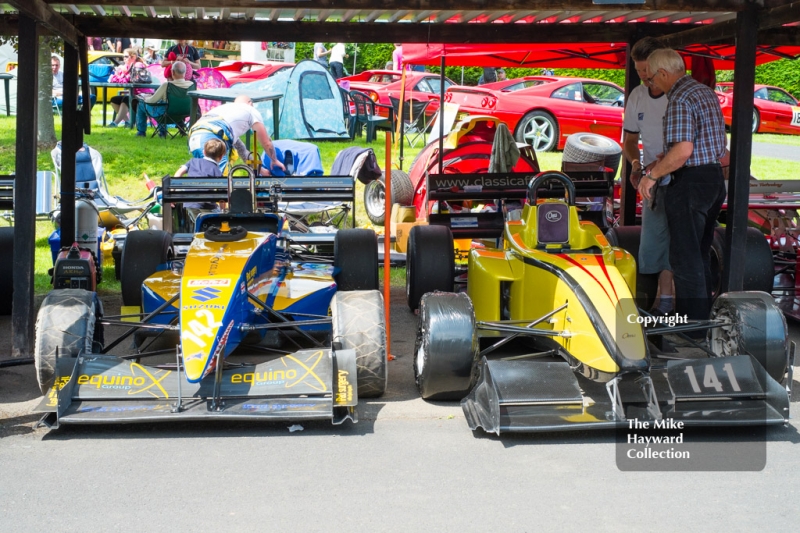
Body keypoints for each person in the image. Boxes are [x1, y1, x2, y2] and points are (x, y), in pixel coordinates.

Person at [639, 48, 728, 325]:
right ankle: (701, 321)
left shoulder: (679, 97)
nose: (652, 85)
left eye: (652, 79)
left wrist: (652, 175)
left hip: (691, 184)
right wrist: (668, 159)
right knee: (699, 254)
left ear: (663, 73)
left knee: (684, 258)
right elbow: (705, 145)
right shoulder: (703, 91)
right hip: (713, 177)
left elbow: (684, 151)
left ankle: (691, 328)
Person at [622, 37, 673, 315]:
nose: (643, 76)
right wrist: (635, 165)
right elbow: (630, 140)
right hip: (652, 179)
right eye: (638, 70)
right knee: (652, 243)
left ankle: (669, 302)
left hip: (680, 177)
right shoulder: (637, 96)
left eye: (646, 70)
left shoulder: (675, 95)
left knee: (677, 243)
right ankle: (658, 302)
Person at [188, 94, 285, 175]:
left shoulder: (226, 111)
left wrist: (261, 171)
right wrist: (274, 160)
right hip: (212, 135)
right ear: (250, 103)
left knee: (204, 175)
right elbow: (266, 142)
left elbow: (242, 151)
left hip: (194, 138)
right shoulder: (251, 110)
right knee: (222, 181)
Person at [134, 61, 194, 137]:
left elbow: (152, 101)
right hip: (183, 115)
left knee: (141, 103)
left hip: (165, 115)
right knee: (162, 104)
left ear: (172, 72)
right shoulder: (192, 85)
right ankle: (162, 132)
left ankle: (142, 132)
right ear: (185, 72)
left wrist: (144, 98)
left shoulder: (167, 85)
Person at [107, 48, 146, 127]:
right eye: (123, 56)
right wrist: (118, 74)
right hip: (133, 93)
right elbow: (113, 80)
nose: (124, 59)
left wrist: (123, 73)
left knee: (126, 99)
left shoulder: (138, 65)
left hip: (143, 94)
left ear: (133, 57)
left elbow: (129, 80)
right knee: (114, 100)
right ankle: (128, 121)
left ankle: (115, 123)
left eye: (126, 56)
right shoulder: (126, 67)